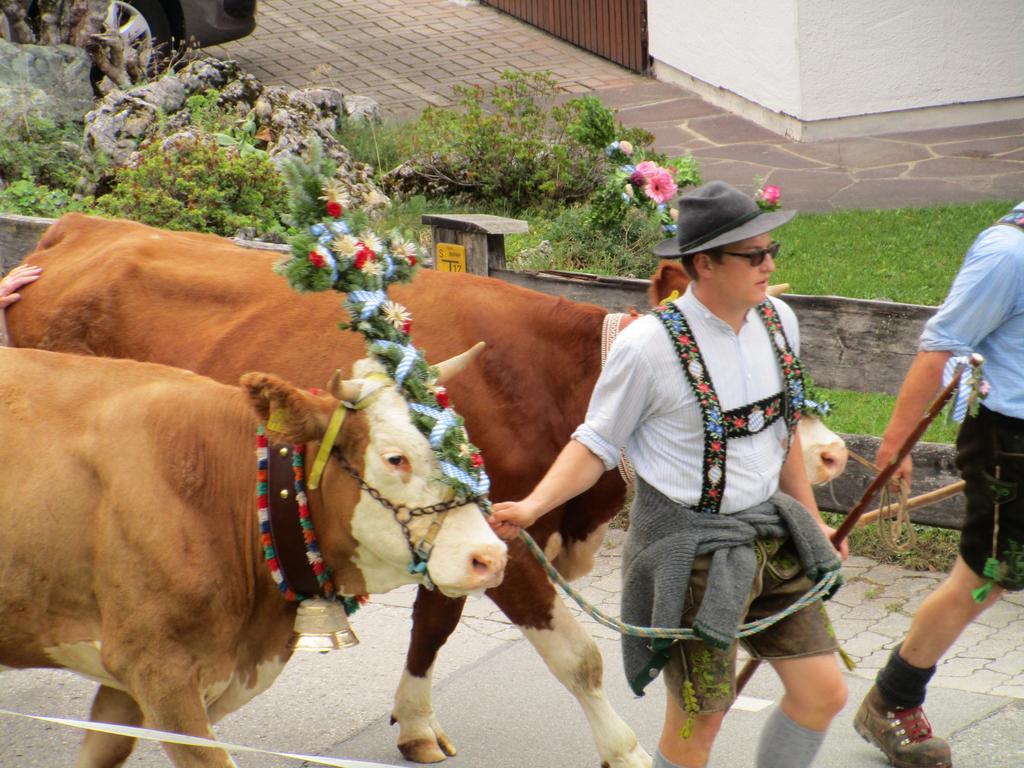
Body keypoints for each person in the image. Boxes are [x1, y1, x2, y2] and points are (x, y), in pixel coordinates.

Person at [490, 180, 848, 768]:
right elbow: (596, 443)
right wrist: (531, 507)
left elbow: (782, 434)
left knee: (823, 693)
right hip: (694, 554)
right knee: (697, 729)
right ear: (704, 264)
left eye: (770, 251)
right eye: (753, 255)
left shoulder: (779, 321)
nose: (769, 265)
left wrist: (811, 522)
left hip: (771, 538)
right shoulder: (649, 347)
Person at [853, 201, 1024, 768]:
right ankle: (892, 700)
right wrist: (897, 445)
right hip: (1009, 444)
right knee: (985, 578)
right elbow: (941, 345)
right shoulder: (1009, 253)